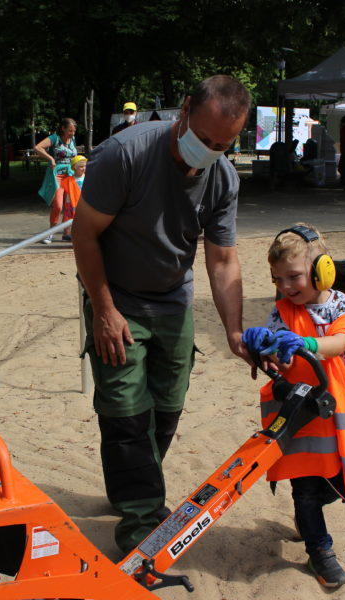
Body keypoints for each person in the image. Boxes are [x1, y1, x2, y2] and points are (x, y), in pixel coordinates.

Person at [72, 75, 251, 554]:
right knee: (127, 412)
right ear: (184, 109)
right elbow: (83, 235)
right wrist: (104, 311)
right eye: (204, 137)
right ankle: (141, 530)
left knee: (166, 410)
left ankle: (130, 489)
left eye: (222, 144)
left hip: (173, 299)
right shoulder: (125, 156)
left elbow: (222, 258)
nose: (210, 150)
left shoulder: (223, 178)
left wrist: (235, 332)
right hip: (118, 296)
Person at [241, 224, 345, 588]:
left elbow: (341, 342)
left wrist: (306, 343)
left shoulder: (342, 304)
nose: (286, 287)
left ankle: (309, 513)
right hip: (301, 413)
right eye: (278, 279)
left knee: (334, 484)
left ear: (322, 269)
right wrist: (264, 349)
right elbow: (277, 360)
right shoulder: (281, 312)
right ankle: (319, 550)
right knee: (305, 487)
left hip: (339, 413)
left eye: (293, 277)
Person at [35, 117, 78, 243]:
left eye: (74, 131)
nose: (72, 133)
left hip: (70, 175)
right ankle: (50, 233)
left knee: (70, 205)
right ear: (63, 128)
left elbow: (73, 155)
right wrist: (51, 159)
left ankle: (67, 233)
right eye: (70, 131)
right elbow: (37, 147)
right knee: (58, 205)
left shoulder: (72, 139)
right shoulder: (55, 138)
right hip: (57, 175)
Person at [58, 155, 87, 241]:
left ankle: (82, 236)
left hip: (84, 203)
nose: (84, 168)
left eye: (85, 166)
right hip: (72, 203)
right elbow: (67, 193)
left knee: (83, 221)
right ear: (74, 167)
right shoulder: (69, 180)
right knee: (71, 220)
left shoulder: (88, 178)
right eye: (81, 166)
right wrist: (68, 204)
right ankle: (70, 235)